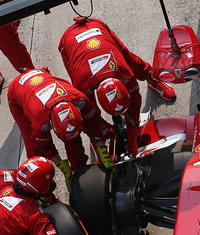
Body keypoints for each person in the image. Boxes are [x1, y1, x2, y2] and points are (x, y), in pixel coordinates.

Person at [59, 15, 176, 157]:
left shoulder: (124, 72)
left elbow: (134, 101)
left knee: (130, 59)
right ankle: (97, 138)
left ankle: (152, 79)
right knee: (88, 108)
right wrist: (98, 135)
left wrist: (133, 135)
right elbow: (88, 115)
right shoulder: (81, 85)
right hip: (68, 41)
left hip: (98, 27)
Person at [7, 67, 115, 185]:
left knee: (73, 140)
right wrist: (62, 166)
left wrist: (100, 146)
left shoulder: (81, 99)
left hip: (41, 77)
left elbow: (94, 124)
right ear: (52, 126)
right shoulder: (39, 121)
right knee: (34, 151)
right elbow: (44, 147)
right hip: (17, 90)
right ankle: (39, 189)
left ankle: (79, 168)